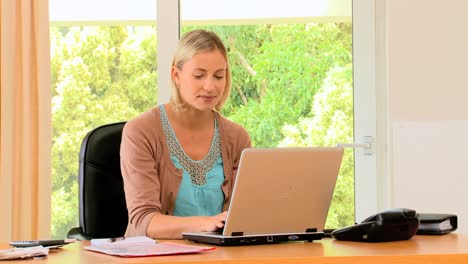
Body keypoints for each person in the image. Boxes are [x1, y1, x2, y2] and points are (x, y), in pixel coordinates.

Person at [120, 29, 252, 239]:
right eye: (199, 76)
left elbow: (245, 216)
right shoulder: (141, 131)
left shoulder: (237, 138)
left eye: (219, 76)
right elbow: (144, 221)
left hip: (220, 258)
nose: (210, 86)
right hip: (155, 257)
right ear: (176, 75)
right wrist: (206, 224)